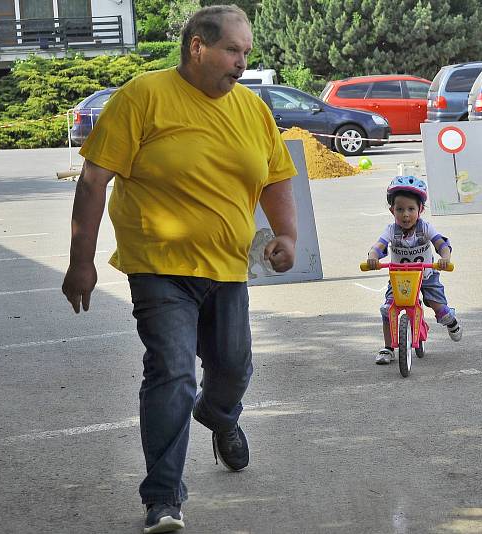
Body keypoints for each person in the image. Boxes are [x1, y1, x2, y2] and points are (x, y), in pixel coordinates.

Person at [61, 6, 297, 533]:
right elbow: (93, 180)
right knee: (171, 371)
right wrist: (81, 263)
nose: (242, 63)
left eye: (246, 53)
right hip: (159, 266)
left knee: (233, 367)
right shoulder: (143, 97)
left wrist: (286, 235)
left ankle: (219, 416)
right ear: (197, 47)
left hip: (229, 267)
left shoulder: (251, 109)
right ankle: (163, 497)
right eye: (233, 51)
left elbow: (277, 176)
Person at [366, 176, 462, 364]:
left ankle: (451, 320)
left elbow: (441, 244)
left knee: (439, 308)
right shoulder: (391, 230)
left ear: (421, 210)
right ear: (392, 210)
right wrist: (373, 257)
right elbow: (379, 246)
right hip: (400, 278)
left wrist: (445, 258)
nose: (406, 215)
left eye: (411, 209)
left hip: (426, 276)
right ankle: (387, 348)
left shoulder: (425, 228)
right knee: (388, 309)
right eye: (400, 209)